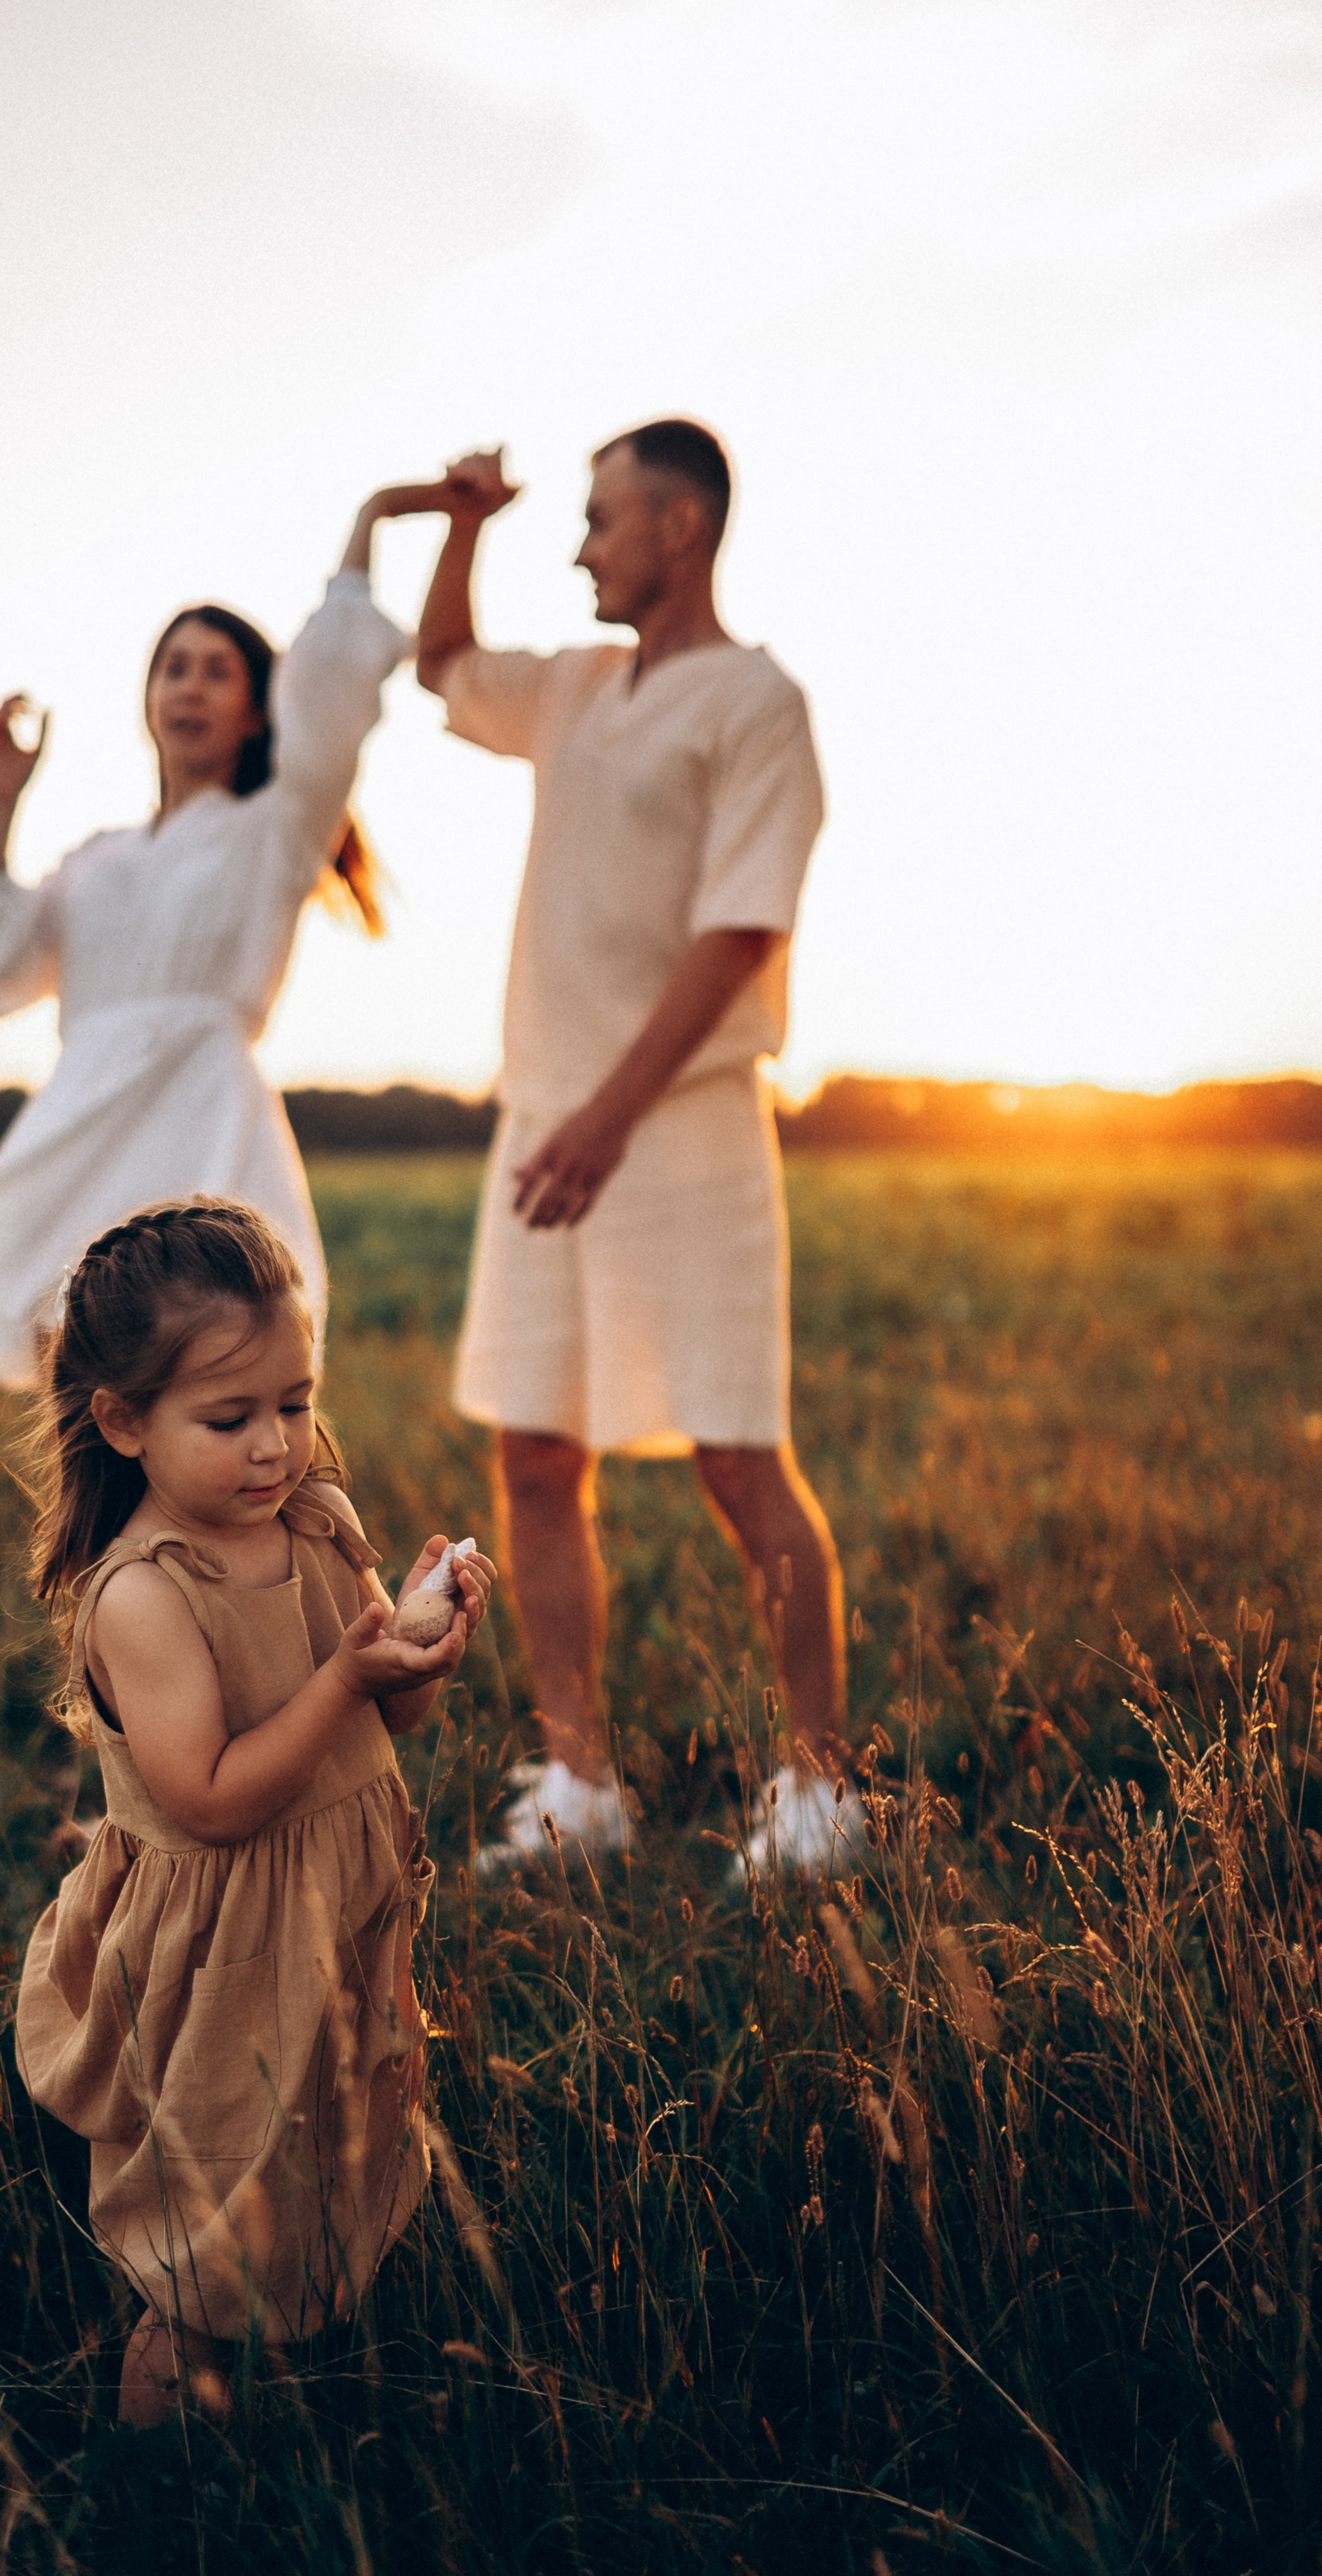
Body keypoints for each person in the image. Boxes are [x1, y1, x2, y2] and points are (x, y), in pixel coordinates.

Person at [415, 420, 861, 1878]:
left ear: (676, 526)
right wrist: (463, 523)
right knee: (535, 1450)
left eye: (598, 519)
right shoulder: (576, 689)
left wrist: (608, 1117)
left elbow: (741, 931)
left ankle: (816, 1794)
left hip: (673, 1129)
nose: (580, 544)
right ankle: (578, 1784)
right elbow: (439, 668)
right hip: (546, 1127)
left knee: (736, 1455)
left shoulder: (755, 702)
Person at [13, 1197, 494, 2423]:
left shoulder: (319, 1525)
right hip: (222, 1947)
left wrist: (420, 1656)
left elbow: (385, 1727)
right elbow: (212, 1799)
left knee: (327, 2155)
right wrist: (347, 1678)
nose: (277, 1445)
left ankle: (291, 2405)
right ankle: (160, 2483)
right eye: (230, 1419)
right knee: (213, 2214)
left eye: (296, 1401)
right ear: (123, 1422)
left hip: (339, 1914)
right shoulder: (143, 1594)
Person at [0, 487, 440, 1386]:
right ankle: (99, 1540)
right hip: (82, 1124)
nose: (190, 686)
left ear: (260, 709)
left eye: (217, 670)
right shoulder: (94, 860)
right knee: (79, 1390)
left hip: (203, 1121)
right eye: (174, 667)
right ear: (148, 696)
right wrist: (3, 802)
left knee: (210, 1380)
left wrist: (373, 518)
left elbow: (332, 695)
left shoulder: (278, 829)